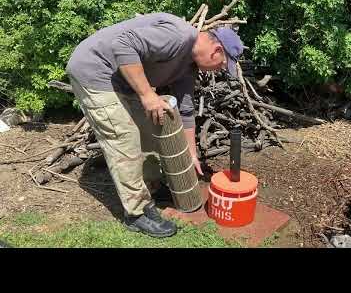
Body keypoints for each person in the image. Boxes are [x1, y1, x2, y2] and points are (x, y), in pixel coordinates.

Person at [66, 12, 244, 238]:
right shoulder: (178, 36)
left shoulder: (188, 65)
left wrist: (191, 152)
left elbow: (186, 111)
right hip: (95, 70)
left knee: (150, 134)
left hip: (124, 80)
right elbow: (122, 44)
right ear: (216, 51)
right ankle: (137, 213)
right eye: (221, 65)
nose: (218, 70)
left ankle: (150, 189)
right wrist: (148, 95)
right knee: (124, 139)